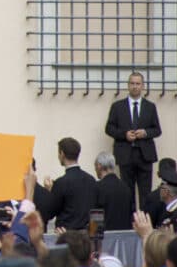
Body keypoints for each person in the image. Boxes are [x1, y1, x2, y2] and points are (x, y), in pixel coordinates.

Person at [105, 71, 161, 211]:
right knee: (127, 192)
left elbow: (157, 130)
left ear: (143, 86)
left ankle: (146, 221)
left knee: (145, 192)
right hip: (125, 154)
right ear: (128, 86)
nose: (135, 86)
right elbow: (109, 128)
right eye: (132, 83)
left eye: (138, 84)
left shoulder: (150, 106)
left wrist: (145, 133)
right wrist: (124, 135)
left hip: (145, 155)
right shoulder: (117, 106)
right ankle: (129, 223)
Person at [43, 137, 98, 230]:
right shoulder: (91, 180)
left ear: (62, 154)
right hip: (87, 236)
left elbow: (51, 212)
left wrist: (50, 192)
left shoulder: (61, 183)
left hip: (66, 235)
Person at [94, 151, 133, 230]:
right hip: (124, 236)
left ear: (99, 166)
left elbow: (95, 219)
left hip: (105, 237)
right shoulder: (126, 188)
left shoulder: (97, 187)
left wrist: (93, 236)